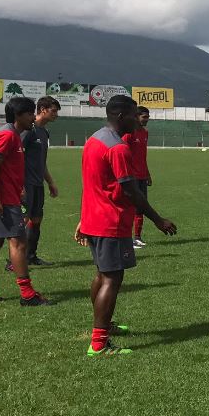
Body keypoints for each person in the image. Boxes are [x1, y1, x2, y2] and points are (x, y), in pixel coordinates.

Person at [74, 95, 177, 356]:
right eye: (133, 115)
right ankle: (99, 343)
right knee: (112, 277)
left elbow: (92, 183)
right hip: (112, 221)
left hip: (94, 218)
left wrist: (83, 218)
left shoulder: (94, 139)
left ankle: (103, 326)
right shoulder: (117, 148)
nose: (138, 120)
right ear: (121, 116)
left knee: (102, 273)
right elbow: (130, 191)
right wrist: (158, 219)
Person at [0, 97, 53, 306]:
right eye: (29, 114)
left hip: (6, 196)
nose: (32, 118)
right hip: (2, 200)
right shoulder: (7, 134)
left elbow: (8, 168)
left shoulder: (15, 135)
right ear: (19, 115)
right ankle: (27, 294)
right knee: (19, 243)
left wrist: (18, 188)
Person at [19, 96, 61, 266]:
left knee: (36, 219)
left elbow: (41, 161)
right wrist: (20, 184)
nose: (56, 114)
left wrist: (50, 182)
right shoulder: (28, 129)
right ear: (43, 109)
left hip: (38, 183)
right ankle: (14, 260)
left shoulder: (44, 132)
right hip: (26, 183)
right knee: (22, 221)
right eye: (53, 110)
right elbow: (18, 157)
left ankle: (30, 256)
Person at [122, 106, 151, 249]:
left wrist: (147, 174)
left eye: (148, 117)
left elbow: (143, 157)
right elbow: (123, 155)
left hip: (141, 176)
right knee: (129, 207)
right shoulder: (129, 134)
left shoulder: (145, 133)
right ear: (136, 117)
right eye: (144, 117)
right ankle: (125, 237)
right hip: (130, 176)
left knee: (141, 206)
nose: (147, 120)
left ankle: (137, 238)